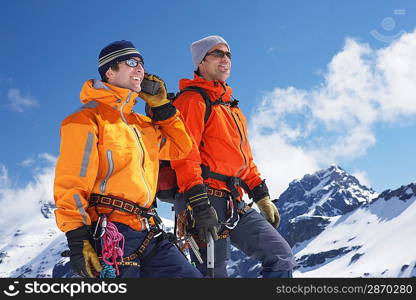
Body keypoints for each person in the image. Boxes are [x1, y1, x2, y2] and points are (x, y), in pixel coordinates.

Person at [53, 40, 202, 278]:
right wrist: (77, 237)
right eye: (131, 62)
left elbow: (181, 148)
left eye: (142, 63)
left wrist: (163, 107)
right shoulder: (86, 120)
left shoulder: (143, 125)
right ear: (109, 71)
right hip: (111, 233)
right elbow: (71, 182)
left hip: (148, 230)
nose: (140, 69)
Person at [171, 35, 296, 278]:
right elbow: (184, 156)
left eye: (228, 54)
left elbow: (245, 161)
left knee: (281, 257)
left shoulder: (232, 109)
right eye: (217, 54)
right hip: (203, 199)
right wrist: (198, 204)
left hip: (234, 201)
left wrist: (262, 197)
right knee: (213, 276)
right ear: (200, 63)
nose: (225, 59)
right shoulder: (191, 101)